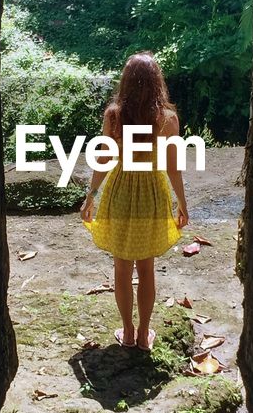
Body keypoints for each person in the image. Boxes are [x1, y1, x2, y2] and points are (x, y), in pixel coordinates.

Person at [80, 51, 189, 350]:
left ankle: (127, 332)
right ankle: (143, 335)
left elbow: (103, 159)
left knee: (122, 268)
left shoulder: (114, 115)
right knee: (146, 267)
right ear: (157, 83)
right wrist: (182, 203)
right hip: (152, 196)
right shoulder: (168, 120)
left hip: (121, 193)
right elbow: (172, 167)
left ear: (125, 83)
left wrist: (91, 196)